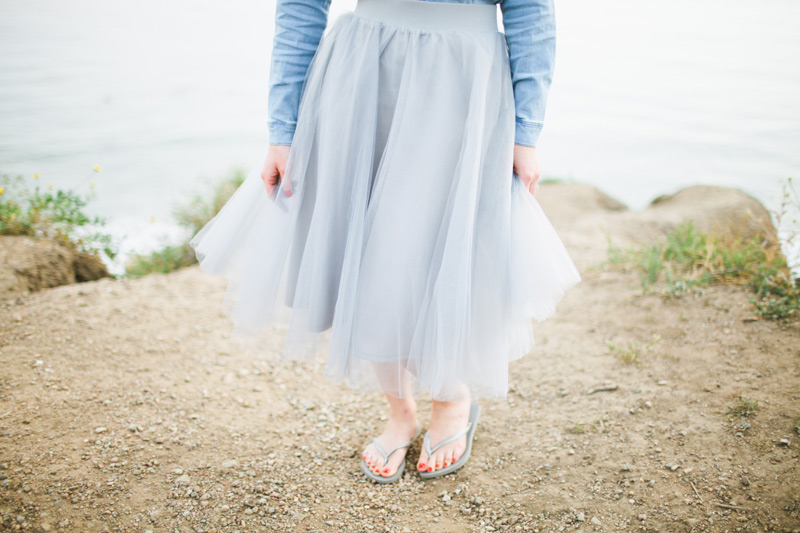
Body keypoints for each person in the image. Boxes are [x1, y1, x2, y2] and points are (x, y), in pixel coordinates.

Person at [190, 0, 580, 484]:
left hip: (462, 82)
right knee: (365, 245)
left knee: (442, 244)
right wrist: (282, 128)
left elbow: (530, 11)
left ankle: (451, 397)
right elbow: (301, 5)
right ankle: (400, 410)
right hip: (363, 72)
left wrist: (527, 132)